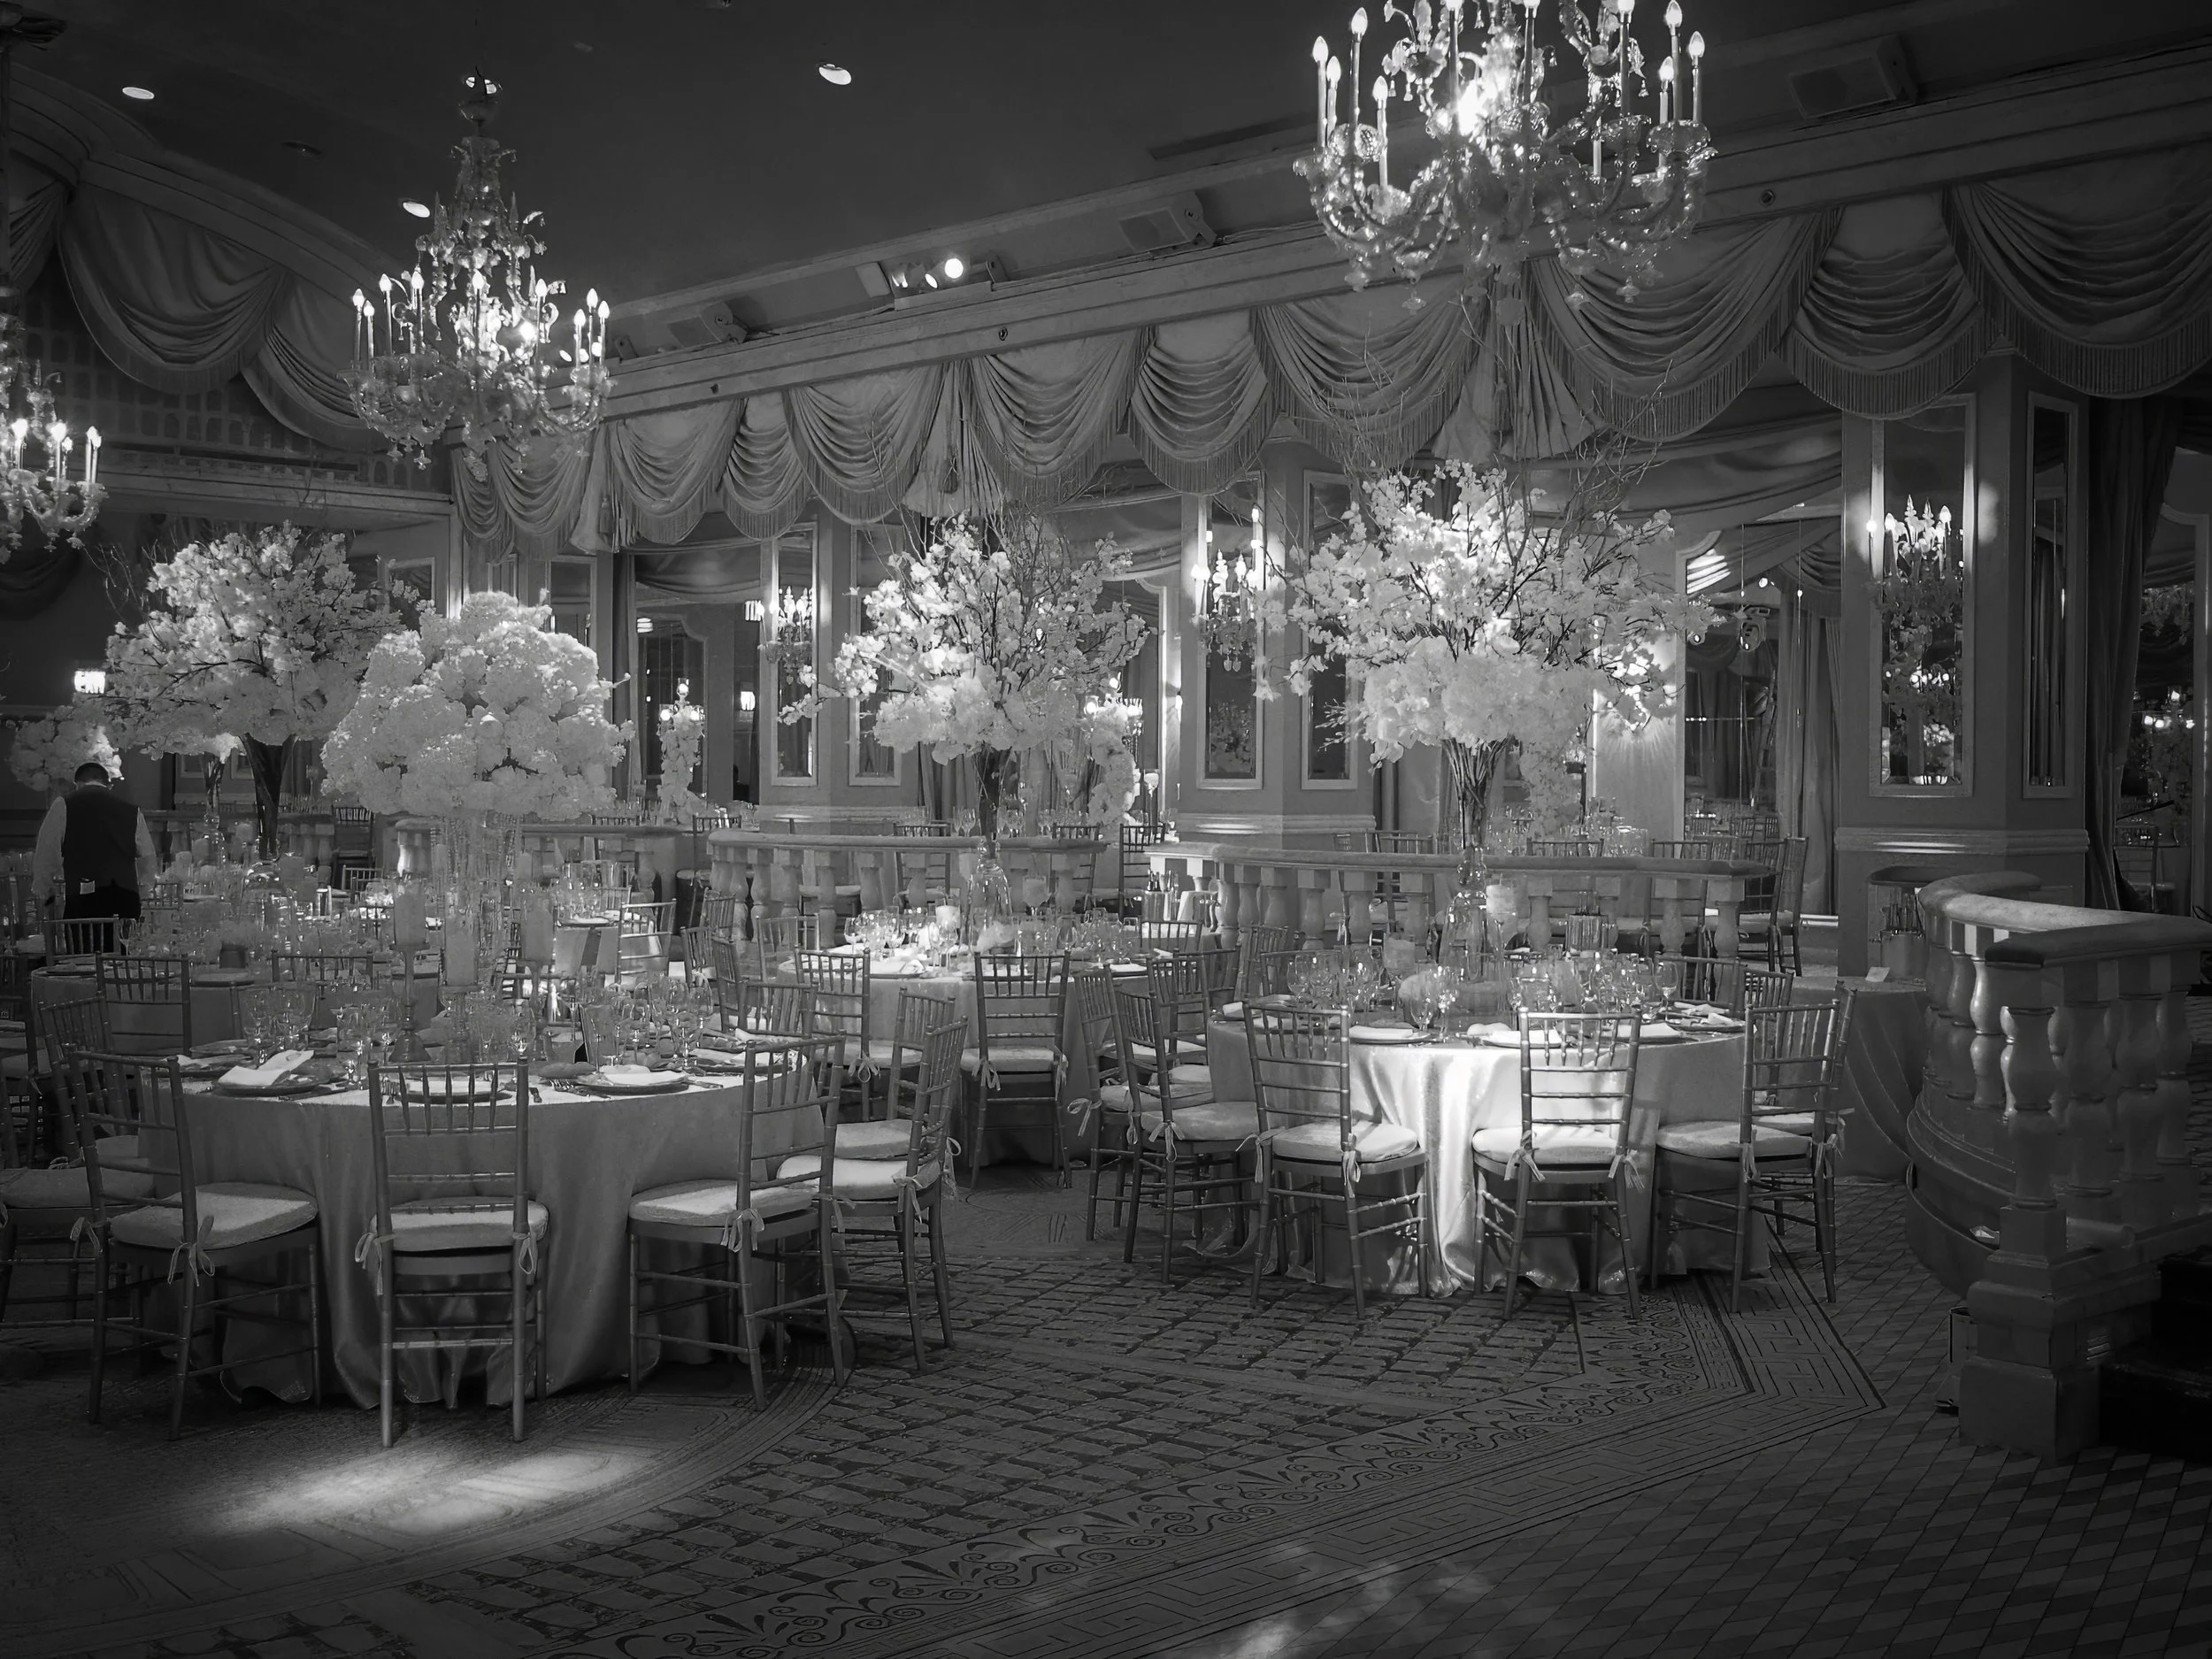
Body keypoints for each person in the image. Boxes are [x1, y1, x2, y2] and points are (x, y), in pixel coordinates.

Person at [30, 761, 159, 949]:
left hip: (85, 900)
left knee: (85, 960)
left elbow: (46, 852)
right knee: (122, 963)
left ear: (78, 784)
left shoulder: (64, 804)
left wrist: (45, 891)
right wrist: (143, 889)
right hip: (125, 898)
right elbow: (147, 855)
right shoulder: (130, 809)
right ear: (109, 785)